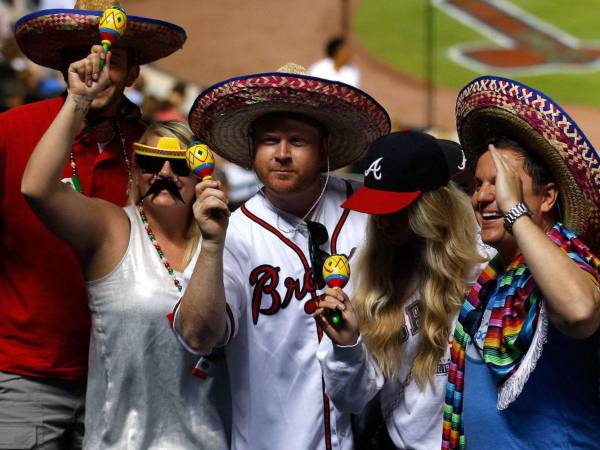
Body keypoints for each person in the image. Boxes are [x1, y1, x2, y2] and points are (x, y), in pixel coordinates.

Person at [175, 63, 390, 449]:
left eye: (298, 140)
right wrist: (210, 246)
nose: (282, 154)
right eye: (270, 140)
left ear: (324, 147)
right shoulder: (234, 233)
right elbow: (196, 336)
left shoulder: (367, 213)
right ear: (253, 149)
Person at [21, 51, 229, 449]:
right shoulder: (113, 228)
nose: (164, 174)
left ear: (202, 177)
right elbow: (37, 189)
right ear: (135, 170)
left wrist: (215, 242)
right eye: (151, 161)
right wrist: (78, 100)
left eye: (180, 165)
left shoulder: (223, 239)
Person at [0, 0, 186, 447]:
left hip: (126, 377)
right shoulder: (11, 132)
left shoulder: (153, 151)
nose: (96, 70)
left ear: (134, 73)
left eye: (113, 61)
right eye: (84, 59)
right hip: (26, 373)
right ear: (65, 67)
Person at [443, 76, 600, 449]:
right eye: (477, 185)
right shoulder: (493, 281)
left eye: (501, 184)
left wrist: (515, 212)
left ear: (547, 198)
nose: (482, 197)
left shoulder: (572, 263)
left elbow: (579, 311)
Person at [314, 131, 487, 449]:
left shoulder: (484, 260)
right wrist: (348, 346)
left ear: (432, 206)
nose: (381, 220)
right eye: (375, 207)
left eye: (395, 208)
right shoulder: (366, 273)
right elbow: (352, 399)